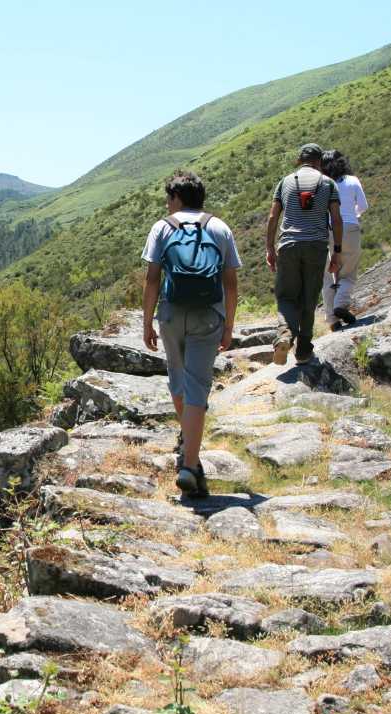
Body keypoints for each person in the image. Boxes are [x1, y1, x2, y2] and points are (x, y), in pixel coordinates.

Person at [142, 171, 240, 500]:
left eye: (168, 198)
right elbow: (230, 283)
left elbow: (152, 279)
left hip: (171, 313)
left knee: (178, 378)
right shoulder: (220, 227)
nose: (166, 204)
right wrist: (228, 325)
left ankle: (189, 451)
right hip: (208, 315)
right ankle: (189, 465)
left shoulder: (162, 228)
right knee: (198, 385)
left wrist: (147, 322)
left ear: (177, 198)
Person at [265, 143, 343, 365]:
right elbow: (336, 219)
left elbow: (273, 217)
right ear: (320, 161)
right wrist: (337, 252)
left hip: (288, 245)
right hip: (316, 247)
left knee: (286, 297)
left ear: (300, 160)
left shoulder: (285, 182)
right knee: (309, 298)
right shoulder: (328, 184)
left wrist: (270, 248)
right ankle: (303, 350)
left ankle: (284, 334)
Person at [321, 150, 369, 330]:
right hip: (349, 228)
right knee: (348, 272)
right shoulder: (352, 180)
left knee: (328, 275)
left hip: (327, 231)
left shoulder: (322, 185)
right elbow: (363, 205)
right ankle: (340, 304)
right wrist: (353, 214)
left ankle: (332, 320)